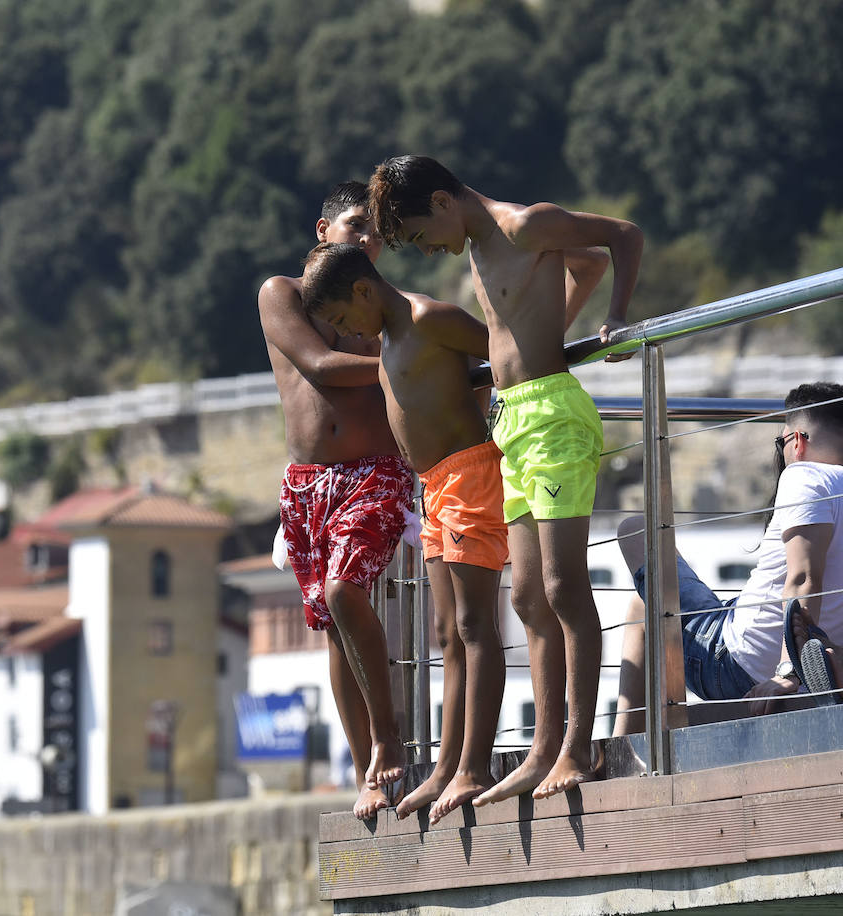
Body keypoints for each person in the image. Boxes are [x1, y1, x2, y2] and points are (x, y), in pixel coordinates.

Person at [367, 155, 643, 802]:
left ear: (443, 201)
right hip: (511, 421)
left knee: (562, 585)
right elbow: (587, 267)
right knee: (525, 598)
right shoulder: (480, 247)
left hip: (552, 415)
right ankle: (543, 750)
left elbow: (620, 238)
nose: (427, 248)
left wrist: (619, 316)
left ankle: (577, 747)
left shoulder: (522, 225)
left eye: (420, 234)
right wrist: (550, 324)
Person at [301, 241, 504, 825]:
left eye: (342, 319)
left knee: (473, 625)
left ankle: (475, 764)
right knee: (446, 632)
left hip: (467, 475)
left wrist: (482, 416)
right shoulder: (388, 339)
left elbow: (498, 355)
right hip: (432, 486)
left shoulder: (426, 319)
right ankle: (446, 765)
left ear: (364, 291)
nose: (346, 332)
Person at [611, 382, 843, 731]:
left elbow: (803, 579)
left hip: (734, 668)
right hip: (821, 669)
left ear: (796, 442)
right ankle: (627, 740)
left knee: (635, 529)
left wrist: (787, 674)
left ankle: (627, 743)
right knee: (642, 603)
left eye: (780, 442)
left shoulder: (806, 477)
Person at [258, 181, 413, 820]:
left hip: (378, 469)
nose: (367, 239)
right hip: (307, 485)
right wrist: (407, 363)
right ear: (322, 231)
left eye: (376, 232)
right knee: (334, 634)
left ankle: (388, 738)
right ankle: (365, 772)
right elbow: (320, 366)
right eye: (355, 225)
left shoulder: (383, 306)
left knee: (345, 593)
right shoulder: (282, 293)